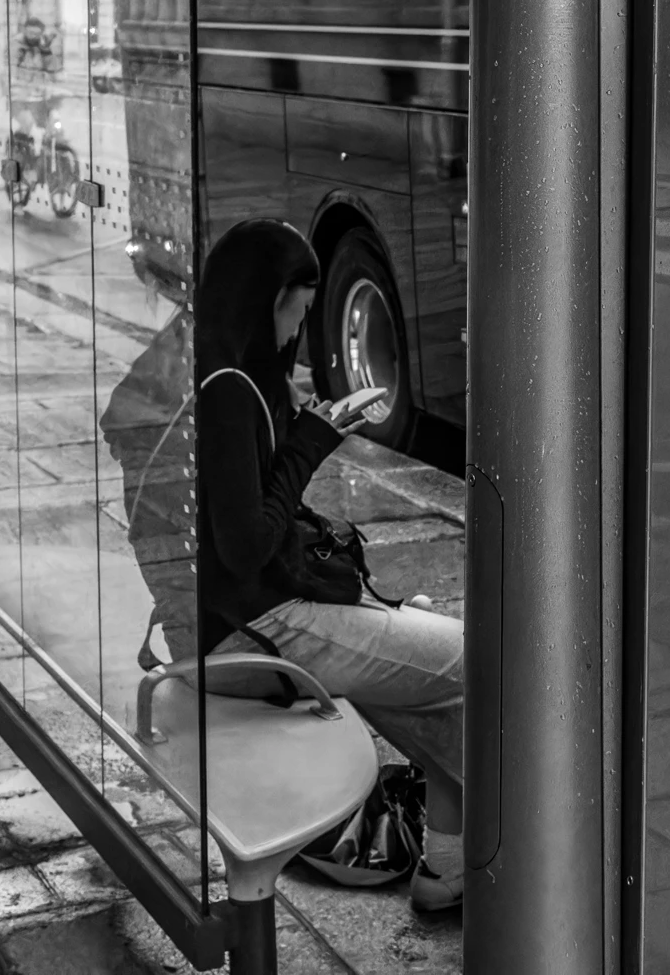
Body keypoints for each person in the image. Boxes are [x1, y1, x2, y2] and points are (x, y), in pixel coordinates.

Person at [195, 219, 466, 910]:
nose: (299, 328)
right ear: (266, 298)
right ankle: (463, 859)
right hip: (262, 629)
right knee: (472, 663)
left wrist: (298, 426)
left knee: (437, 660)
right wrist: (310, 442)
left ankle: (454, 864)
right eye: (299, 309)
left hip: (262, 614)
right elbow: (247, 544)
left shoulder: (235, 375)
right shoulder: (228, 391)